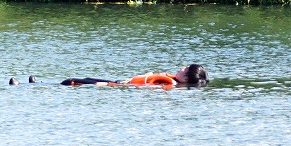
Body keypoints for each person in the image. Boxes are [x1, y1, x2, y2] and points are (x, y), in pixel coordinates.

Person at [61, 65, 208, 87]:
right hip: (120, 82)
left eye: (186, 68)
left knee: (71, 81)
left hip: (118, 85)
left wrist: (108, 85)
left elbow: (148, 88)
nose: (182, 68)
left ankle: (39, 83)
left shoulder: (170, 84)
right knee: (84, 79)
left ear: (187, 78)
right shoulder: (172, 81)